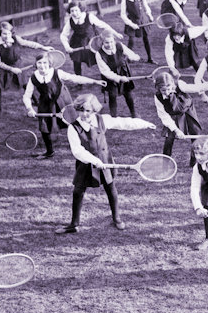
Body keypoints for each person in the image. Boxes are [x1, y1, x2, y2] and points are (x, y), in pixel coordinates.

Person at [55, 94, 156, 234]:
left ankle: (116, 218)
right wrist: (95, 161)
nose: (84, 114)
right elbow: (77, 151)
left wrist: (144, 124)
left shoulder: (103, 120)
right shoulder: (73, 128)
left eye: (88, 111)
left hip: (105, 160)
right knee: (78, 191)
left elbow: (123, 123)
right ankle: (74, 224)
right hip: (86, 164)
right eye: (81, 110)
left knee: (111, 188)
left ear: (94, 110)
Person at [23, 51, 107, 159]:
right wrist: (29, 108)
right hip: (46, 103)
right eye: (39, 63)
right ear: (36, 64)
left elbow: (74, 78)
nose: (42, 66)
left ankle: (88, 145)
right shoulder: (33, 77)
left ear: (50, 63)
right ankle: (49, 151)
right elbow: (26, 96)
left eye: (45, 63)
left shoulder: (57, 73)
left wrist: (94, 81)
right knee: (44, 127)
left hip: (63, 101)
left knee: (75, 123)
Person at [154, 72, 208, 166]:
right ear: (158, 88)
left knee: (195, 134)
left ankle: (194, 163)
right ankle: (165, 164)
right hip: (173, 114)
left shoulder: (180, 85)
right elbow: (163, 115)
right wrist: (176, 130)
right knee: (169, 139)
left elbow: (199, 87)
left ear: (173, 84)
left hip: (188, 110)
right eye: (163, 90)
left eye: (169, 89)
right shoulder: (157, 97)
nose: (167, 92)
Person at [0, 21, 53, 109]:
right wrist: (11, 69)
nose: (7, 36)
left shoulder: (16, 39)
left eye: (9, 33)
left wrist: (43, 47)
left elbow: (29, 43)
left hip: (17, 64)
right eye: (4, 34)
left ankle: (36, 101)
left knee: (25, 83)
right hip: (3, 67)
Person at [60, 0, 124, 77]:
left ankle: (112, 75)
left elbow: (103, 25)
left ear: (81, 9)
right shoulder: (70, 21)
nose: (74, 13)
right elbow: (63, 35)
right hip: (77, 42)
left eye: (76, 10)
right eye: (72, 11)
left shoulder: (89, 16)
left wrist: (115, 33)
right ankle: (80, 81)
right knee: (76, 61)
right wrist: (67, 47)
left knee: (101, 58)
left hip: (92, 41)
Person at [95, 30, 140, 118]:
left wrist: (135, 57)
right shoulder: (99, 54)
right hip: (110, 77)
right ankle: (113, 116)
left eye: (111, 42)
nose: (110, 44)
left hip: (123, 71)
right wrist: (118, 78)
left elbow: (129, 52)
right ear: (102, 42)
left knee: (128, 93)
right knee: (112, 95)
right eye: (107, 42)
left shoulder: (119, 45)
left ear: (114, 40)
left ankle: (134, 113)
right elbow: (105, 71)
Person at [119, 0, 156, 64]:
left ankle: (150, 58)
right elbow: (123, 15)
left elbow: (146, 7)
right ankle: (126, 59)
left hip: (143, 20)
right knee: (131, 41)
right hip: (132, 21)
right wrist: (131, 24)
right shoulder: (124, 0)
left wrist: (150, 15)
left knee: (146, 39)